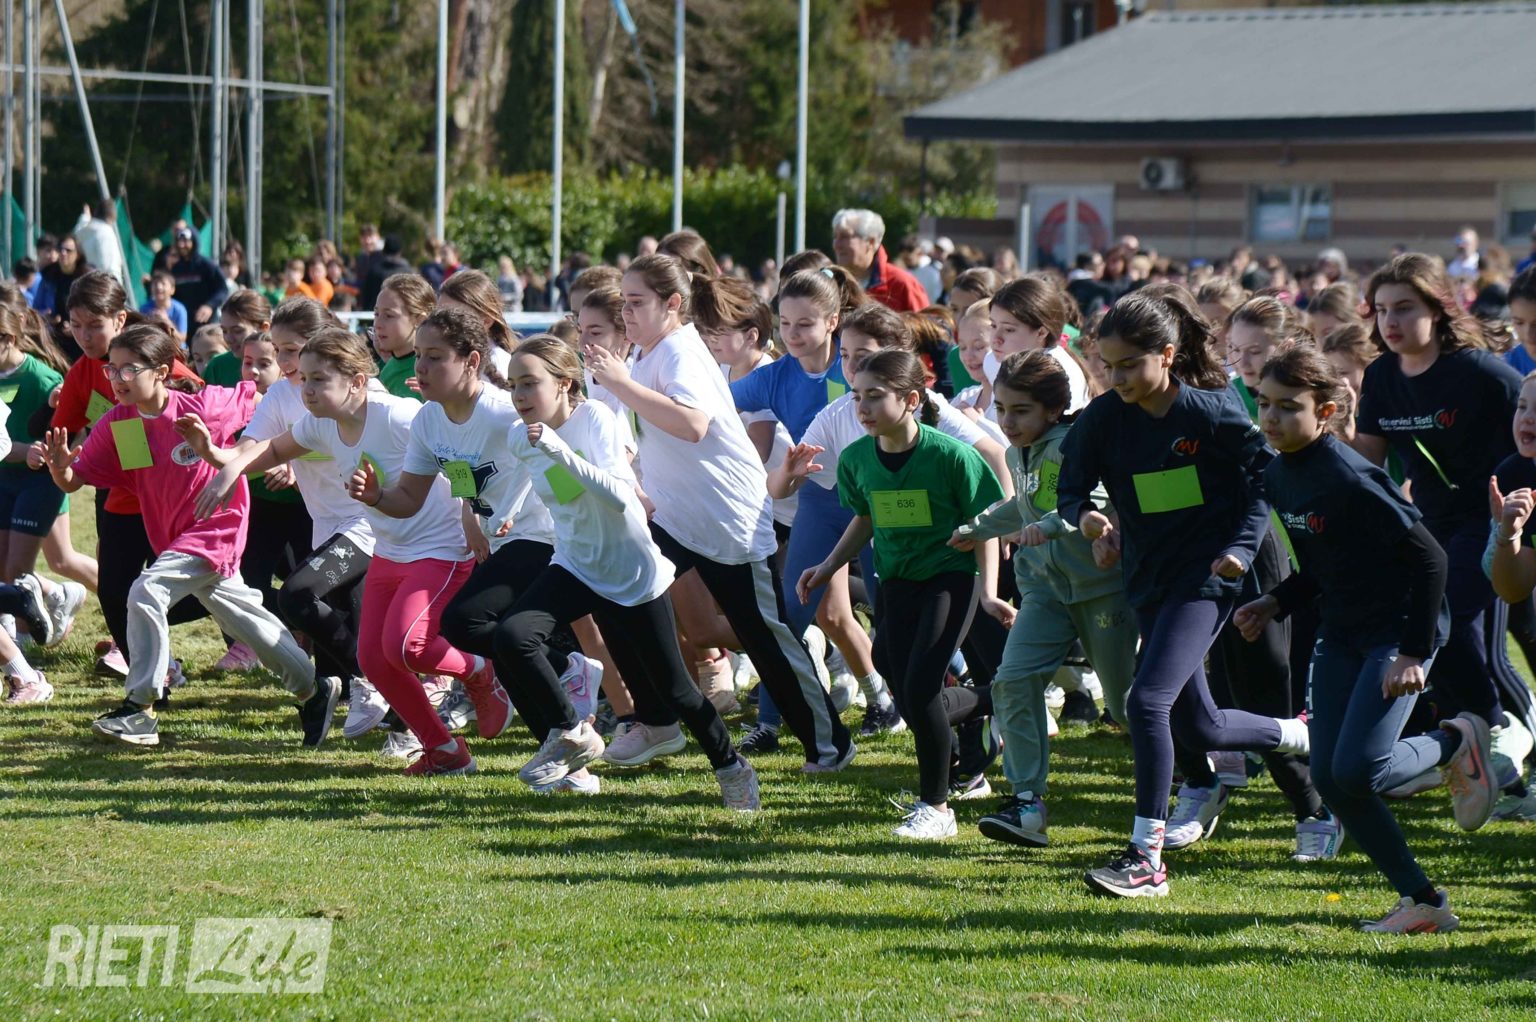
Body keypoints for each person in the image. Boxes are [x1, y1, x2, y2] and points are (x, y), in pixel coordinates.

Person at [1057, 288, 1311, 898]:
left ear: (1167, 355)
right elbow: (1069, 491)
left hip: (1206, 579)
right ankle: (1301, 734)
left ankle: (1146, 859)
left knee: (1146, 701)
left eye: (1129, 365)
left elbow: (1265, 478)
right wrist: (1088, 519)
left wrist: (1242, 547)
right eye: (1107, 366)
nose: (1116, 378)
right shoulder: (1102, 419)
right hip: (1148, 577)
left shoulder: (1210, 411)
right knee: (1202, 725)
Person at [1237, 343, 1493, 933]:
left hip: (1397, 633)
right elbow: (1325, 564)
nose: (1270, 417)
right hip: (1342, 631)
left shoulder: (1351, 476)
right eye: (1264, 403)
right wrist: (1274, 602)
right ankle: (1423, 901)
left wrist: (1412, 651)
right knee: (1331, 779)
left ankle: (1454, 739)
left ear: (1325, 411)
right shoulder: (1277, 473)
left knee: (1358, 771)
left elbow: (1430, 559)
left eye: (1288, 407)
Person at [581, 253, 856, 772]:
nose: (626, 313)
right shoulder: (643, 354)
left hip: (728, 519)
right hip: (673, 516)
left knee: (765, 639)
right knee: (617, 589)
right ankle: (657, 720)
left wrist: (620, 383)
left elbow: (693, 425)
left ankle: (830, 744)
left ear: (673, 304)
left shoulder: (680, 351)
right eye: (624, 303)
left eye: (636, 303)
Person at [38, 322, 328, 748]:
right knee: (248, 621)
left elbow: (260, 402)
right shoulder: (119, 423)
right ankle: (313, 689)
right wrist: (60, 469)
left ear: (160, 372)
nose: (117, 379)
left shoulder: (203, 406)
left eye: (128, 369)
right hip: (174, 540)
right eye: (111, 370)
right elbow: (74, 481)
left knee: (146, 590)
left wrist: (275, 452)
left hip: (218, 527)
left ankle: (140, 707)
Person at [799, 348, 1005, 839]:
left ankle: (937, 807)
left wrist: (990, 593)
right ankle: (996, 701)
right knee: (892, 669)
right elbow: (865, 517)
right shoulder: (856, 459)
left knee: (921, 688)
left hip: (949, 579)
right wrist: (829, 565)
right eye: (857, 397)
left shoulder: (951, 456)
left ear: (912, 400)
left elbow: (986, 525)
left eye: (875, 396)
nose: (863, 408)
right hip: (894, 581)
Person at [1353, 254, 1533, 791]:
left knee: (1442, 623)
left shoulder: (1481, 373)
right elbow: (1366, 465)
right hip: (1430, 525)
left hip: (1492, 518)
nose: (1391, 321)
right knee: (1444, 633)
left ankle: (1496, 736)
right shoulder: (1380, 376)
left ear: (1437, 309)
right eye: (1382, 310)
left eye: (1405, 308)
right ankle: (1485, 740)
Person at [951, 350, 1137, 848]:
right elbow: (1024, 505)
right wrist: (976, 528)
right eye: (1002, 409)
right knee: (1012, 682)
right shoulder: (1017, 453)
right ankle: (1027, 804)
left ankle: (1191, 771)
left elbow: (1085, 505)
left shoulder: (1071, 446)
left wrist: (1047, 528)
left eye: (1021, 411)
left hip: (1099, 591)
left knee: (1125, 705)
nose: (1008, 422)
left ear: (1054, 410)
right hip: (1043, 592)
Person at [831, 209, 927, 313]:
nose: (836, 244)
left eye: (845, 236)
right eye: (835, 237)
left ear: (870, 242)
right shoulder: (831, 283)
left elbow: (925, 322)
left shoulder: (902, 284)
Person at [438, 270, 516, 381]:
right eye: (438, 315)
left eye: (455, 317)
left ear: (486, 321)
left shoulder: (499, 365)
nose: (442, 324)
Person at [373, 274, 435, 401]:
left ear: (419, 320)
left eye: (389, 315)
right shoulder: (388, 367)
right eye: (376, 314)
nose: (377, 324)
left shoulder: (433, 370)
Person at [167, 228, 228, 326]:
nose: (181, 245)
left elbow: (222, 289)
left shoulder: (207, 265)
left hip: (206, 322)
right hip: (183, 323)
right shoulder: (176, 269)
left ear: (194, 242)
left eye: (186, 241)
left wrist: (209, 305)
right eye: (179, 241)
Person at [72, 200, 125, 288]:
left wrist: (84, 217)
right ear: (112, 216)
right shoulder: (106, 232)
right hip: (104, 287)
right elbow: (110, 267)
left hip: (84, 283)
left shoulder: (84, 230)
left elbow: (77, 232)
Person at [360, 235, 413, 312]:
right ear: (400, 251)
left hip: (376, 314)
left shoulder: (374, 271)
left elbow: (366, 297)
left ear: (384, 250)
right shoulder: (408, 272)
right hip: (402, 314)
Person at [140, 270, 189, 340]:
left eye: (163, 284)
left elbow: (182, 338)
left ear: (172, 290)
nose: (159, 287)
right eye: (155, 284)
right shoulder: (144, 309)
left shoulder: (179, 309)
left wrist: (166, 321)